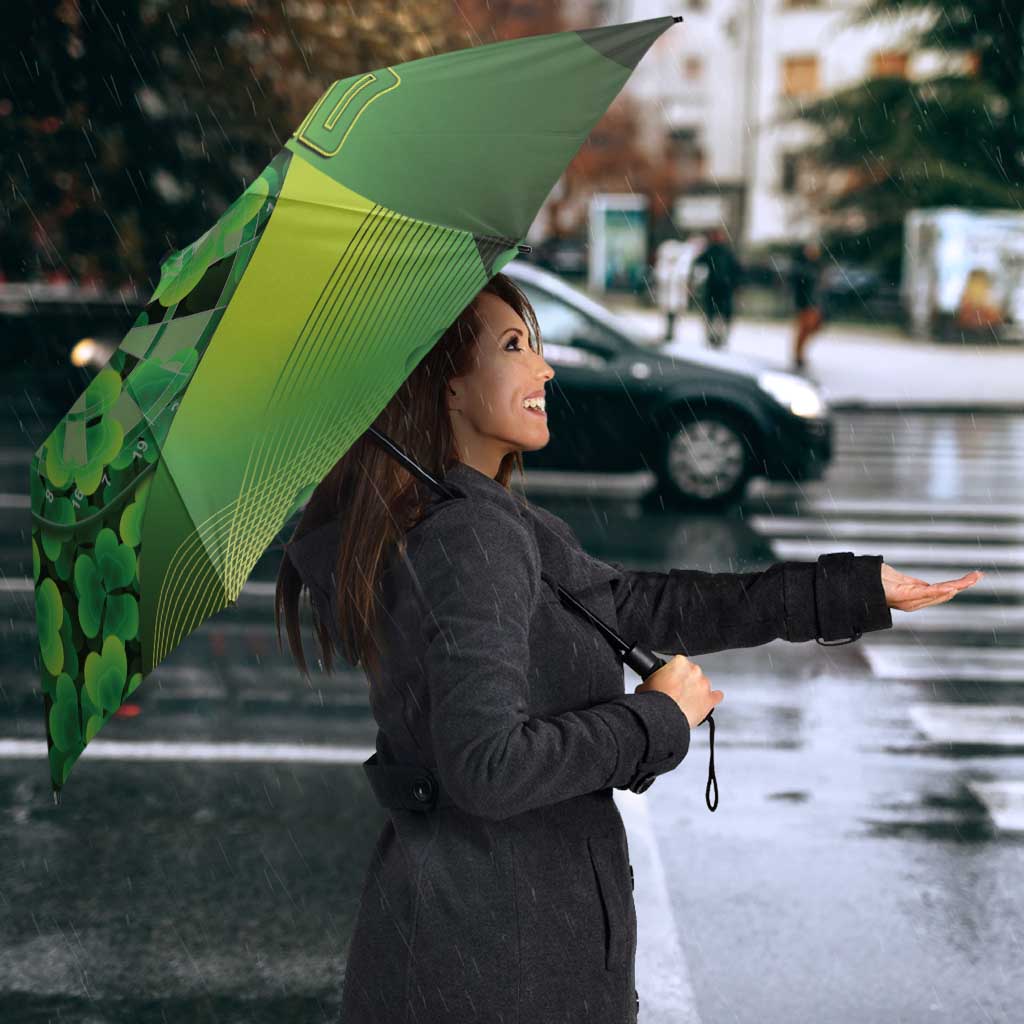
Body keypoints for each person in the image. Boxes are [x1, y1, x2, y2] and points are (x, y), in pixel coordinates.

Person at [276, 272, 980, 1024]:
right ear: (445, 388)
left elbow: (643, 605)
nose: (544, 368)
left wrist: (850, 590)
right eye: (514, 346)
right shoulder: (469, 537)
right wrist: (655, 719)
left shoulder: (482, 519)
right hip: (496, 963)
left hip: (486, 944)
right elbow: (487, 767)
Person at [692, 226, 742, 349]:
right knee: (713, 314)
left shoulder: (725, 252)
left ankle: (719, 337)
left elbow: (736, 270)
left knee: (720, 315)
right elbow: (698, 264)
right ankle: (713, 337)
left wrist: (735, 284)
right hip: (715, 288)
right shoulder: (712, 251)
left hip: (723, 288)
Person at [790, 239, 825, 370]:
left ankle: (800, 354)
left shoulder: (816, 266)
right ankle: (798, 356)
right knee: (804, 329)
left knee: (812, 328)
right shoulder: (802, 267)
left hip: (814, 303)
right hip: (805, 303)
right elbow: (799, 286)